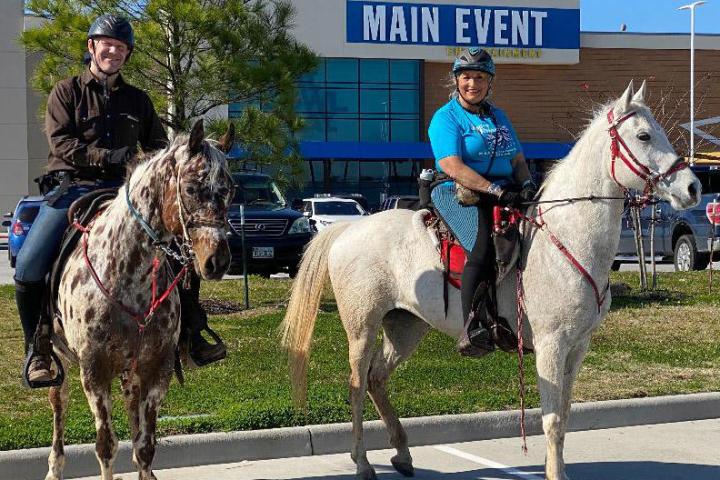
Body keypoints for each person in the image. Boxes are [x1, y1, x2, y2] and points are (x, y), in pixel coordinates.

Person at [16, 14, 225, 385]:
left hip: (125, 193)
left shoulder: (138, 100)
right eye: (106, 44)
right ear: (92, 47)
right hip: (75, 189)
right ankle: (39, 349)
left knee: (181, 253)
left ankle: (192, 333)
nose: (113, 51)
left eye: (121, 47)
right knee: (29, 267)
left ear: (128, 54)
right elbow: (61, 143)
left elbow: (160, 148)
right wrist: (105, 157)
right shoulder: (66, 92)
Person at [427, 47, 537, 357]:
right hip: (458, 191)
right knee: (483, 245)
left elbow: (516, 158)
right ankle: (472, 327)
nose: (472, 84)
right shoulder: (445, 117)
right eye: (465, 77)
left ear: (489, 82)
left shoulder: (498, 116)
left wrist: (527, 184)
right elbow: (450, 164)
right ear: (456, 81)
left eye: (479, 77)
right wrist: (496, 191)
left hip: (503, 189)